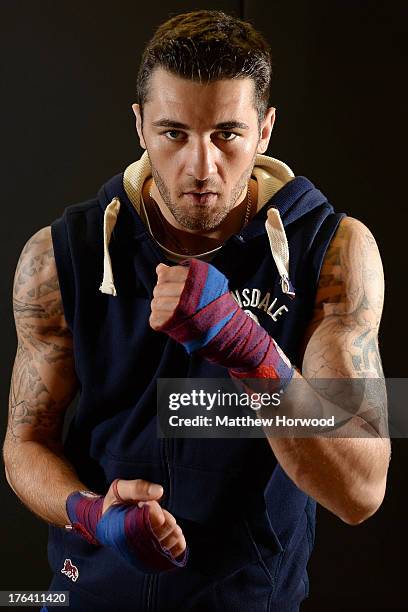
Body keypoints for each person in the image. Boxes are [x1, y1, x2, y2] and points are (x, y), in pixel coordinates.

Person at [3, 9, 390, 612]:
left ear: (265, 131)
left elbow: (362, 489)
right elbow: (23, 442)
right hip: (85, 598)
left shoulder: (331, 252)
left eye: (227, 134)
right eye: (175, 133)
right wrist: (90, 514)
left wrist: (249, 349)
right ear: (140, 126)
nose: (201, 168)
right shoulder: (60, 256)